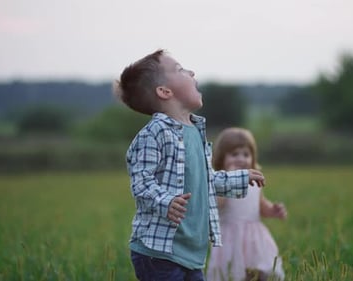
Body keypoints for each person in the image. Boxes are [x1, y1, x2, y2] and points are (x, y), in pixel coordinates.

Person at [114, 49, 266, 281]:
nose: (191, 71)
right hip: (159, 252)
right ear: (165, 91)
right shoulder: (154, 133)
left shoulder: (194, 131)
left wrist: (239, 177)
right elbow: (141, 182)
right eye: (180, 69)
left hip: (191, 253)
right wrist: (166, 201)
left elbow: (204, 180)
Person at [206, 128, 287, 281]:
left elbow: (261, 206)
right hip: (231, 238)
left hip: (254, 238)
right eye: (234, 154)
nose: (241, 159)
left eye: (246, 154)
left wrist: (273, 210)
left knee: (259, 272)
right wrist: (229, 180)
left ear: (253, 157)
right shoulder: (220, 184)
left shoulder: (254, 183)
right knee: (234, 274)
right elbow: (218, 204)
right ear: (221, 159)